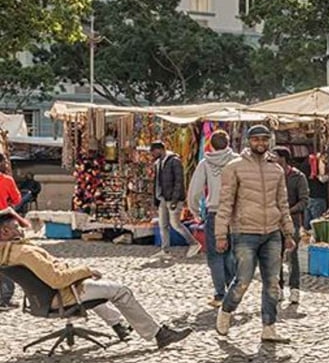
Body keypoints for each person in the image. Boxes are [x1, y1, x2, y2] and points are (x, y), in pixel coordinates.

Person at [0, 207, 191, 348]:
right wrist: (85, 270)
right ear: (4, 232)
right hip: (62, 295)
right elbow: (57, 279)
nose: (21, 230)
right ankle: (158, 334)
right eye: (16, 227)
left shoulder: (7, 253)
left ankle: (118, 325)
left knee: (98, 288)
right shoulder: (25, 252)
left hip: (44, 298)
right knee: (121, 291)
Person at [216, 125, 294, 343]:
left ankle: (269, 327)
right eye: (256, 140)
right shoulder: (235, 168)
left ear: (269, 141)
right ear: (248, 142)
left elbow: (283, 203)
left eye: (264, 139)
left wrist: (288, 232)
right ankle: (226, 311)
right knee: (243, 280)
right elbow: (225, 203)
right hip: (244, 232)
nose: (260, 143)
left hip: (272, 232)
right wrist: (221, 234)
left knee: (272, 283)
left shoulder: (276, 170)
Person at [187, 130, 240, 306]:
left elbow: (195, 190)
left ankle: (219, 294)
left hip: (215, 212)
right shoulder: (238, 161)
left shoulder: (205, 163)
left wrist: (195, 211)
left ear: (210, 145)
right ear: (228, 142)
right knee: (231, 253)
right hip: (235, 212)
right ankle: (234, 291)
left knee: (215, 255)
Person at [149, 141, 197, 259]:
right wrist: (156, 199)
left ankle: (194, 243)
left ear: (160, 149)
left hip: (173, 199)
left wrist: (175, 199)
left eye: (153, 152)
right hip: (163, 198)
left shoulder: (174, 161)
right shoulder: (159, 163)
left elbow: (179, 182)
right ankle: (165, 250)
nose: (152, 155)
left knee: (175, 224)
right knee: (163, 225)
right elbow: (157, 183)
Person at [281, 159, 309, 308]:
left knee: (293, 256)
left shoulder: (298, 177)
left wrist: (289, 211)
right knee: (275, 256)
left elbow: (304, 201)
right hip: (274, 221)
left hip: (293, 221)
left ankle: (294, 288)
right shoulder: (272, 175)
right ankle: (278, 287)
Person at [0, 155, 19, 310]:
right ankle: (4, 297)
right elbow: (17, 199)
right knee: (6, 260)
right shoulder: (7, 180)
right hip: (3, 226)